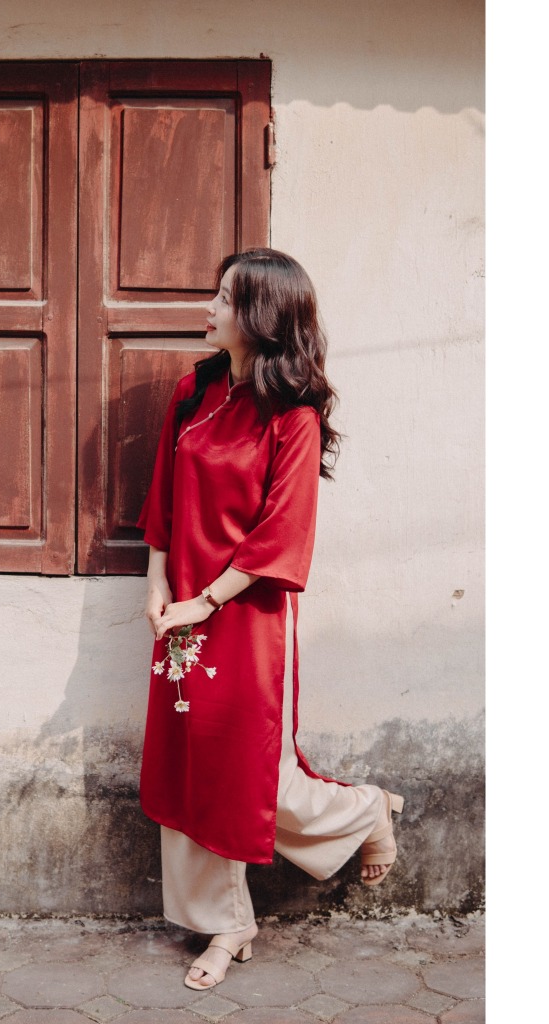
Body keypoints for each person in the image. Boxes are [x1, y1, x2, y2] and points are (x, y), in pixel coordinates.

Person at [136, 248, 404, 991]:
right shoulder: (196, 389)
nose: (209, 309)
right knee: (190, 768)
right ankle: (226, 923)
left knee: (251, 772)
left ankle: (364, 811)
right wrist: (158, 583)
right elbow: (163, 493)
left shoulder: (294, 416)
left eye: (224, 299)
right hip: (179, 612)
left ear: (260, 315)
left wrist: (205, 601)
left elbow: (282, 531)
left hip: (245, 613)